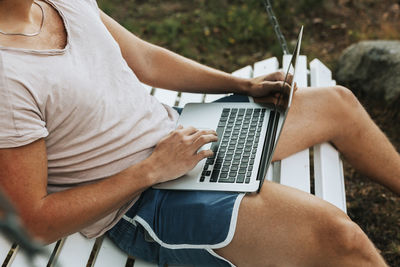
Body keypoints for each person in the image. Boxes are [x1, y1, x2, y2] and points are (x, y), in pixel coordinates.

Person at [0, 0, 398, 266]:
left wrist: (243, 85)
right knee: (340, 239)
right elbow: (35, 221)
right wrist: (153, 170)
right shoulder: (7, 77)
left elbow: (145, 58)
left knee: (336, 103)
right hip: (141, 199)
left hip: (181, 134)